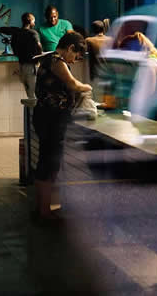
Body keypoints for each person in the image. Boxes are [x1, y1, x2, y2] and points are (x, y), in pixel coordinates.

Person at [33, 31, 91, 222]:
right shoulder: (56, 60)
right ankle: (44, 212)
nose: (75, 61)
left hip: (48, 117)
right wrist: (87, 87)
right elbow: (72, 84)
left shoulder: (51, 59)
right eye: (75, 56)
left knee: (47, 163)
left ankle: (42, 208)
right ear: (71, 48)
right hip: (52, 119)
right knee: (49, 164)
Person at [11, 12, 43, 100]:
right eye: (33, 21)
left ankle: (30, 112)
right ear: (29, 21)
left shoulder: (16, 33)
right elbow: (38, 45)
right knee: (33, 94)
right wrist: (39, 59)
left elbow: (13, 47)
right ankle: (33, 113)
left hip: (21, 66)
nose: (34, 23)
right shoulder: (33, 33)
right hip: (31, 66)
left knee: (28, 93)